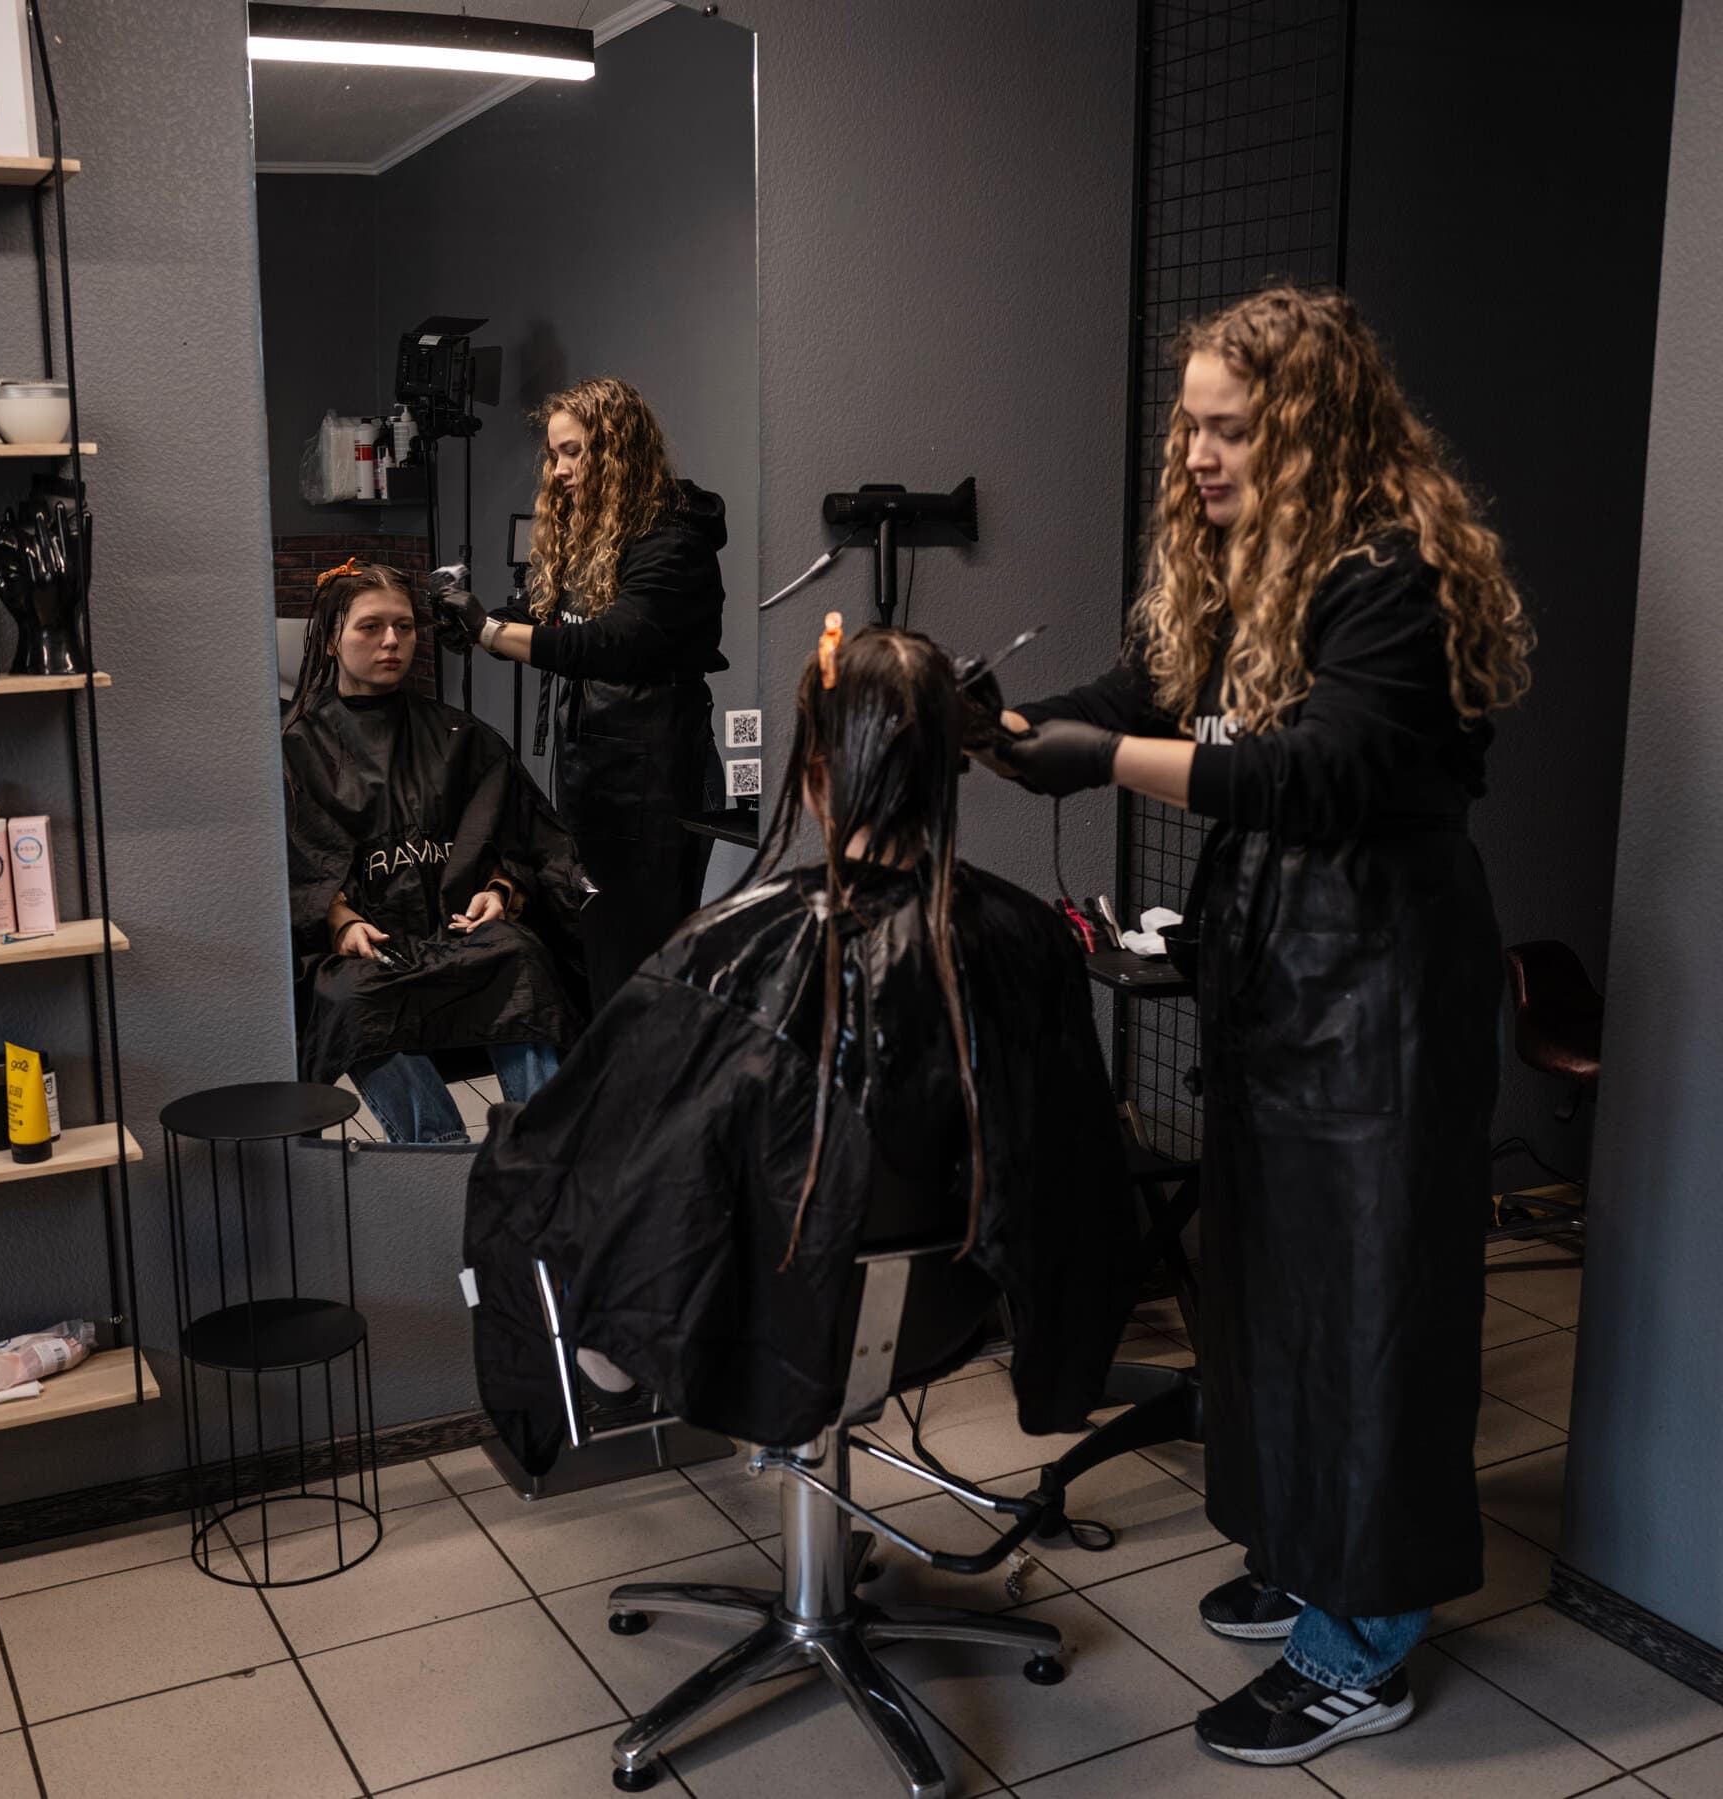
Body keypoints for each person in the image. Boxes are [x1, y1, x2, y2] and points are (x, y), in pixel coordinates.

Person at [993, 286, 1534, 1766]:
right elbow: (1155, 689)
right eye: (1194, 422)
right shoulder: (1255, 567)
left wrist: (1111, 760)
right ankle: (1309, 1557)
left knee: (1367, 1316)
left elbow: (1326, 772)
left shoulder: (1389, 569)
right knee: (1273, 1300)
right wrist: (1016, 730)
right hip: (1282, 982)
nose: (1202, 451)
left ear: (1310, 422)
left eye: (1233, 425)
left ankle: (1362, 1644)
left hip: (1383, 991)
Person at [463, 622, 1140, 1475]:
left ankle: (612, 1378)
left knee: (526, 1175)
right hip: (951, 1306)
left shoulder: (730, 944)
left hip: (770, 1305)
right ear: (949, 774)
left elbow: (617, 1140)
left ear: (814, 780)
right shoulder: (1031, 934)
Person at [432, 377, 727, 1008]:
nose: (561, 469)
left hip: (656, 777)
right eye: (554, 455)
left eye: (575, 452)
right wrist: (477, 625)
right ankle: (604, 1088)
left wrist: (490, 631)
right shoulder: (598, 539)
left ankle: (647, 1094)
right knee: (593, 942)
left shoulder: (672, 542)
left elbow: (608, 641)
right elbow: (552, 615)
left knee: (642, 957)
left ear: (619, 450)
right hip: (597, 769)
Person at [281, 559, 590, 1143]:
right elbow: (291, 865)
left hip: (456, 932)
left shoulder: (459, 736)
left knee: (520, 957)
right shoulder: (298, 750)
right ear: (329, 640)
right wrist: (339, 918)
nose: (392, 640)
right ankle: (437, 1153)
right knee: (348, 998)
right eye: (370, 627)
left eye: (404, 626)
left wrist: (500, 891)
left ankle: (546, 1144)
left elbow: (518, 835)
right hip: (367, 950)